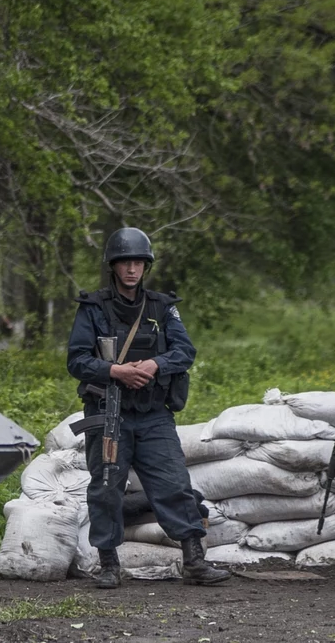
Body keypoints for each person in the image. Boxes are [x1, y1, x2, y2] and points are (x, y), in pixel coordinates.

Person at [66, 227, 231, 589]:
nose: (131, 269)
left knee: (174, 483)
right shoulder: (93, 308)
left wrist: (155, 365)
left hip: (154, 415)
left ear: (146, 266)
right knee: (107, 488)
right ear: (113, 266)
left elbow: (185, 351)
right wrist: (115, 371)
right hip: (110, 414)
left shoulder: (162, 307)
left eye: (138, 262)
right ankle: (109, 564)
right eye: (125, 262)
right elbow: (76, 360)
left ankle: (195, 562)